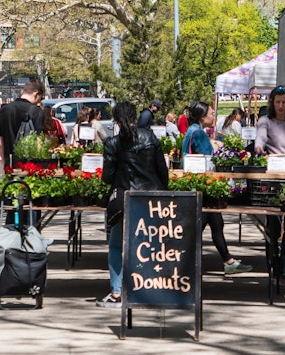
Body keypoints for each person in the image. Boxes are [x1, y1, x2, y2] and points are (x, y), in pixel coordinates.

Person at [97, 102, 169, 307]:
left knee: (116, 245)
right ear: (135, 117)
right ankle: (149, 287)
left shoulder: (112, 143)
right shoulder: (150, 137)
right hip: (151, 197)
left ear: (117, 122)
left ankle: (117, 291)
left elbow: (107, 177)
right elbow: (162, 171)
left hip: (124, 199)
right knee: (151, 245)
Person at [182, 100, 252, 276]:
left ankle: (228, 261)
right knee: (201, 225)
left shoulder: (193, 131)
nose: (214, 116)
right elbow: (210, 157)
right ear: (202, 116)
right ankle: (183, 262)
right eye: (212, 113)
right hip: (203, 184)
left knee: (216, 223)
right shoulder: (198, 133)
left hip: (199, 182)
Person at [255, 86, 285, 287]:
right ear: (272, 103)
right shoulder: (265, 121)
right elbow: (260, 136)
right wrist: (259, 146)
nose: (282, 106)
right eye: (278, 102)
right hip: (274, 179)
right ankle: (274, 267)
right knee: (273, 226)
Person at [0, 78, 45, 168]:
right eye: (42, 98)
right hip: (29, 165)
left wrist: (4, 163)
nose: (40, 101)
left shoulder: (5, 109)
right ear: (36, 94)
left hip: (9, 163)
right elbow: (38, 141)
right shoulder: (36, 111)